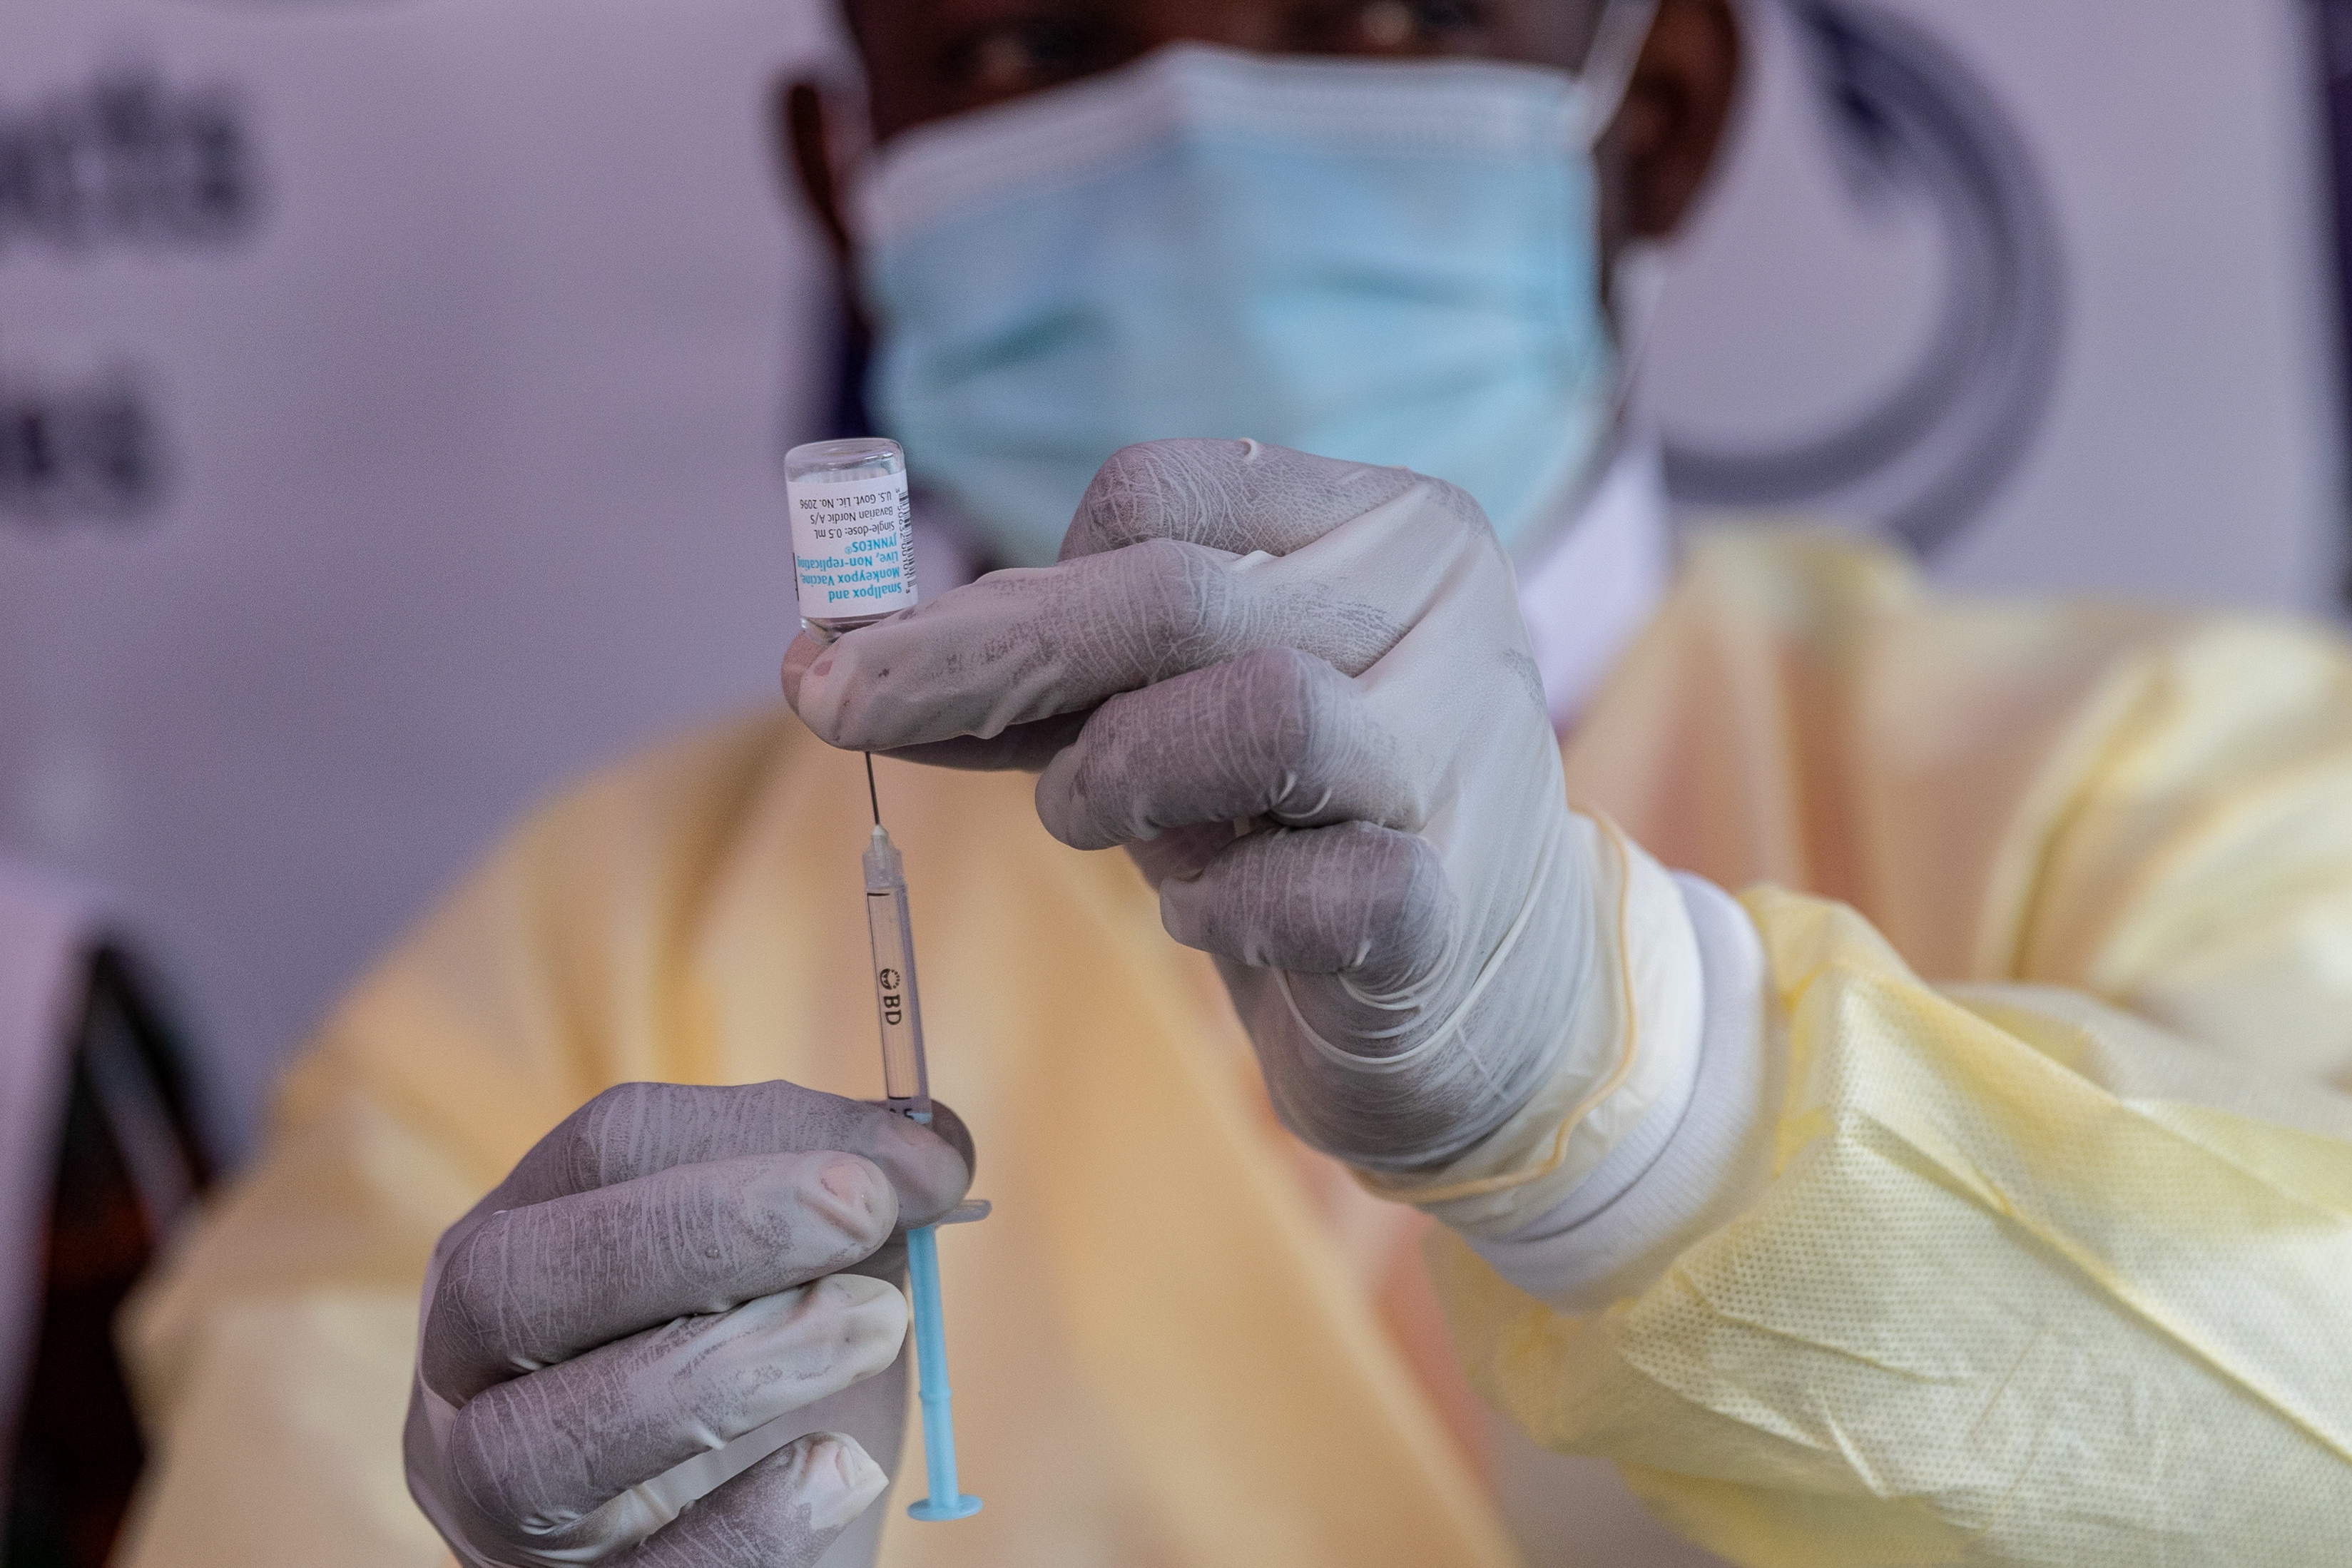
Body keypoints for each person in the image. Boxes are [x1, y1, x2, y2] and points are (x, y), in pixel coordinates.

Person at [116, 2, 2352, 1566]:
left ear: (1661, 103)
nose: (1197, 133)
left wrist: (1649, 1090)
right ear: (843, 170)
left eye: (1381, 12)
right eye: (1027, 45)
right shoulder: (571, 966)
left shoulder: (2169, 780)